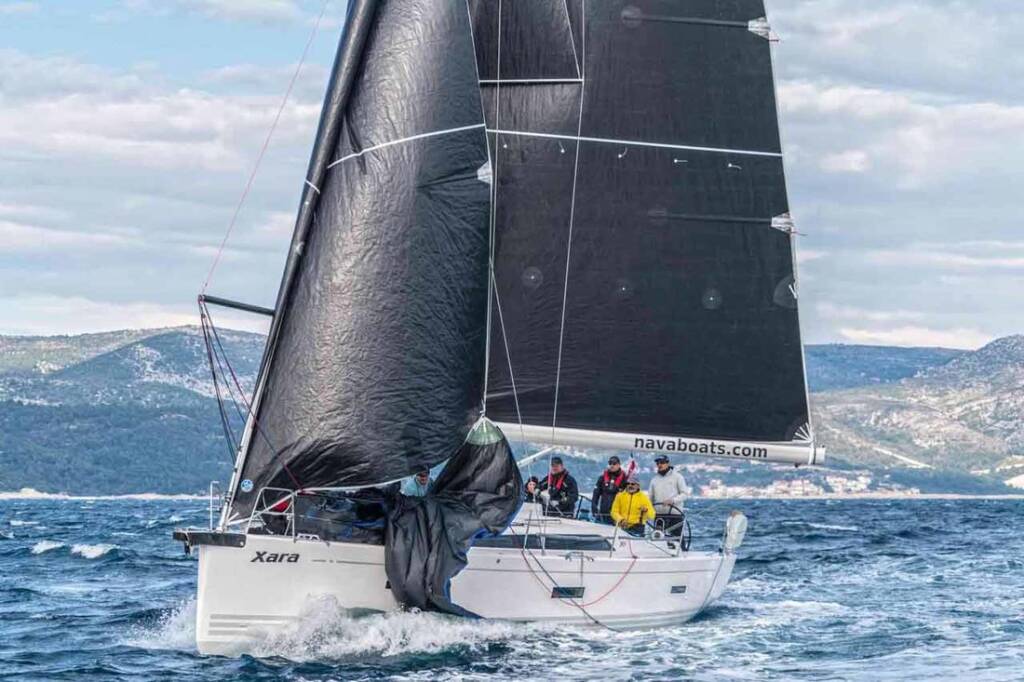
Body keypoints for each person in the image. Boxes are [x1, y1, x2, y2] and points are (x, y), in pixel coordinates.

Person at [647, 455, 687, 534]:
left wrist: (673, 500)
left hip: (675, 515)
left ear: (668, 463)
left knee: (677, 538)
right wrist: (646, 508)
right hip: (659, 515)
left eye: (662, 462)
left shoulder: (678, 477)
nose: (659, 465)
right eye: (657, 463)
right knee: (658, 539)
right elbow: (650, 498)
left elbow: (685, 494)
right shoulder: (654, 480)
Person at [591, 456, 628, 524]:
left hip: (616, 515)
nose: (612, 465)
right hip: (602, 513)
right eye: (610, 463)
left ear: (619, 465)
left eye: (614, 463)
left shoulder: (625, 480)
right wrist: (594, 506)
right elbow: (596, 494)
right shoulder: (602, 478)